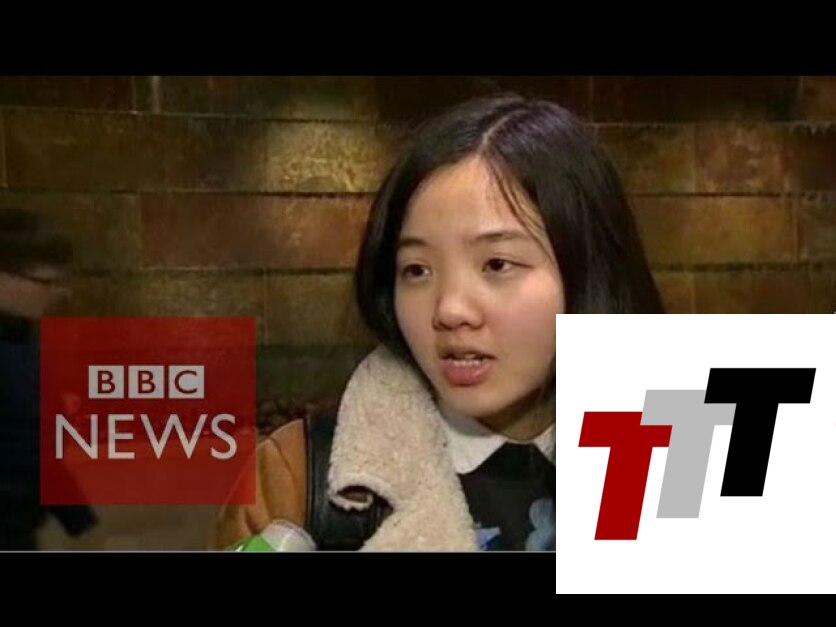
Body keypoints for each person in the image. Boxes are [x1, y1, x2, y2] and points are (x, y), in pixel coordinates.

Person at [212, 93, 663, 551]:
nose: (449, 309)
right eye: (417, 270)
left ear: (590, 270)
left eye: (497, 264)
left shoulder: (678, 445)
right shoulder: (297, 478)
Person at [0, 207, 98, 550]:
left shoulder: (22, 340)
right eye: (46, 282)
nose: (58, 293)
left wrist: (79, 520)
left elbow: (35, 446)